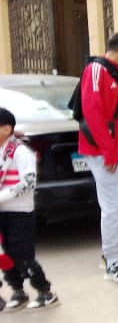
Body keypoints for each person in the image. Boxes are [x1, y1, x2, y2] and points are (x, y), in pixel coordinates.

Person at [77, 32, 118, 283]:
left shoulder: (110, 71)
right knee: (113, 207)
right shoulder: (96, 70)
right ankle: (111, 261)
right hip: (106, 153)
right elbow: (92, 112)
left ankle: (114, 254)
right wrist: (108, 150)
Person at [0, 108, 58, 311]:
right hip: (2, 211)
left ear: (6, 129)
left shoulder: (21, 151)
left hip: (20, 212)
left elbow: (28, 183)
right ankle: (18, 291)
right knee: (5, 255)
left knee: (22, 254)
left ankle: (45, 292)